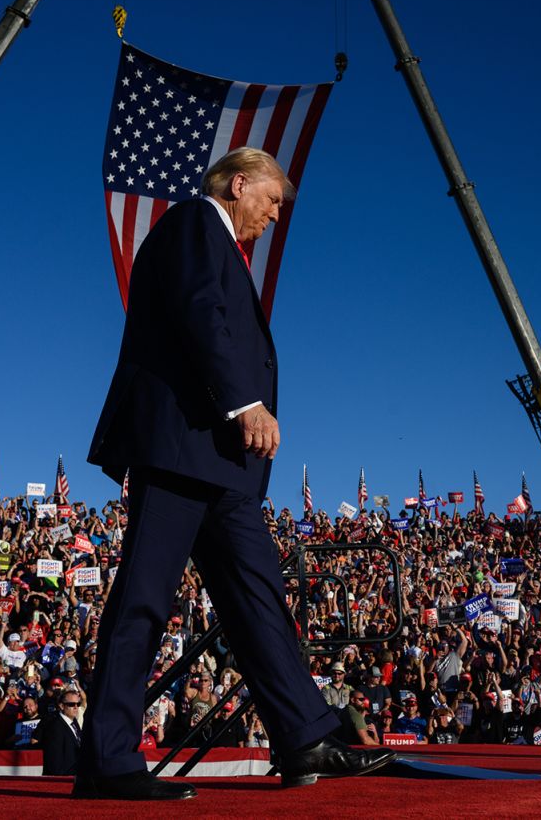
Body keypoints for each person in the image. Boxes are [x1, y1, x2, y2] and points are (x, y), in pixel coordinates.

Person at [80, 148, 394, 800]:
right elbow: (201, 310)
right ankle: (108, 759)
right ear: (239, 182)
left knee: (259, 598)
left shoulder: (224, 244)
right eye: (274, 198)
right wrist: (243, 399)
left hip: (221, 462)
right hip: (181, 443)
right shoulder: (196, 221)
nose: (276, 213)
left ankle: (304, 736)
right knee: (144, 597)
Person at [37, 688, 85, 775]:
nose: (76, 707)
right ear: (62, 706)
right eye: (71, 704)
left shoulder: (74, 722)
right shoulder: (54, 727)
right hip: (63, 780)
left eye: (78, 704)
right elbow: (54, 762)